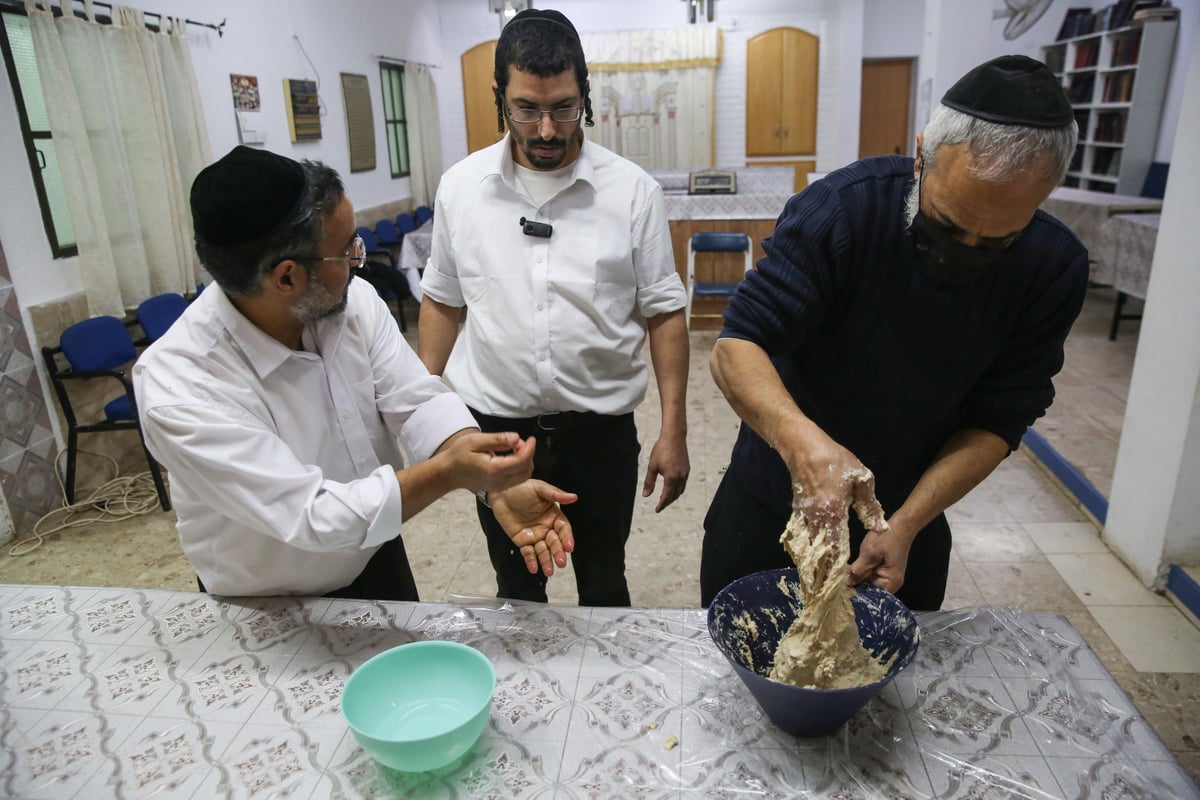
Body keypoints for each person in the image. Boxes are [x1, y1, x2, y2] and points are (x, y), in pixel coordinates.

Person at [701, 55, 1089, 611]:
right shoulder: (843, 212)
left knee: (894, 687)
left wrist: (905, 524)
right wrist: (804, 445)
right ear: (921, 156)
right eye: (948, 225)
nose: (965, 253)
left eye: (999, 240)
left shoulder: (1054, 267)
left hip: (909, 522)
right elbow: (736, 346)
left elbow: (999, 419)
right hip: (771, 498)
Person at [133, 145, 576, 600]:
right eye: (346, 251)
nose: (358, 261)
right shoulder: (182, 386)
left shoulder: (351, 304)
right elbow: (310, 515)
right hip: (269, 598)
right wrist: (447, 474)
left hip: (373, 551)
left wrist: (492, 480)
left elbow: (417, 400)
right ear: (287, 278)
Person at [418, 9, 690, 607]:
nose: (546, 130)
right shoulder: (461, 189)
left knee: (603, 582)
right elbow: (443, 300)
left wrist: (674, 426)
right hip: (498, 434)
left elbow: (665, 312)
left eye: (564, 107)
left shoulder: (632, 192)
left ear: (585, 94)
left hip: (600, 435)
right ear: (499, 97)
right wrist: (426, 413)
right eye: (526, 109)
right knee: (517, 587)